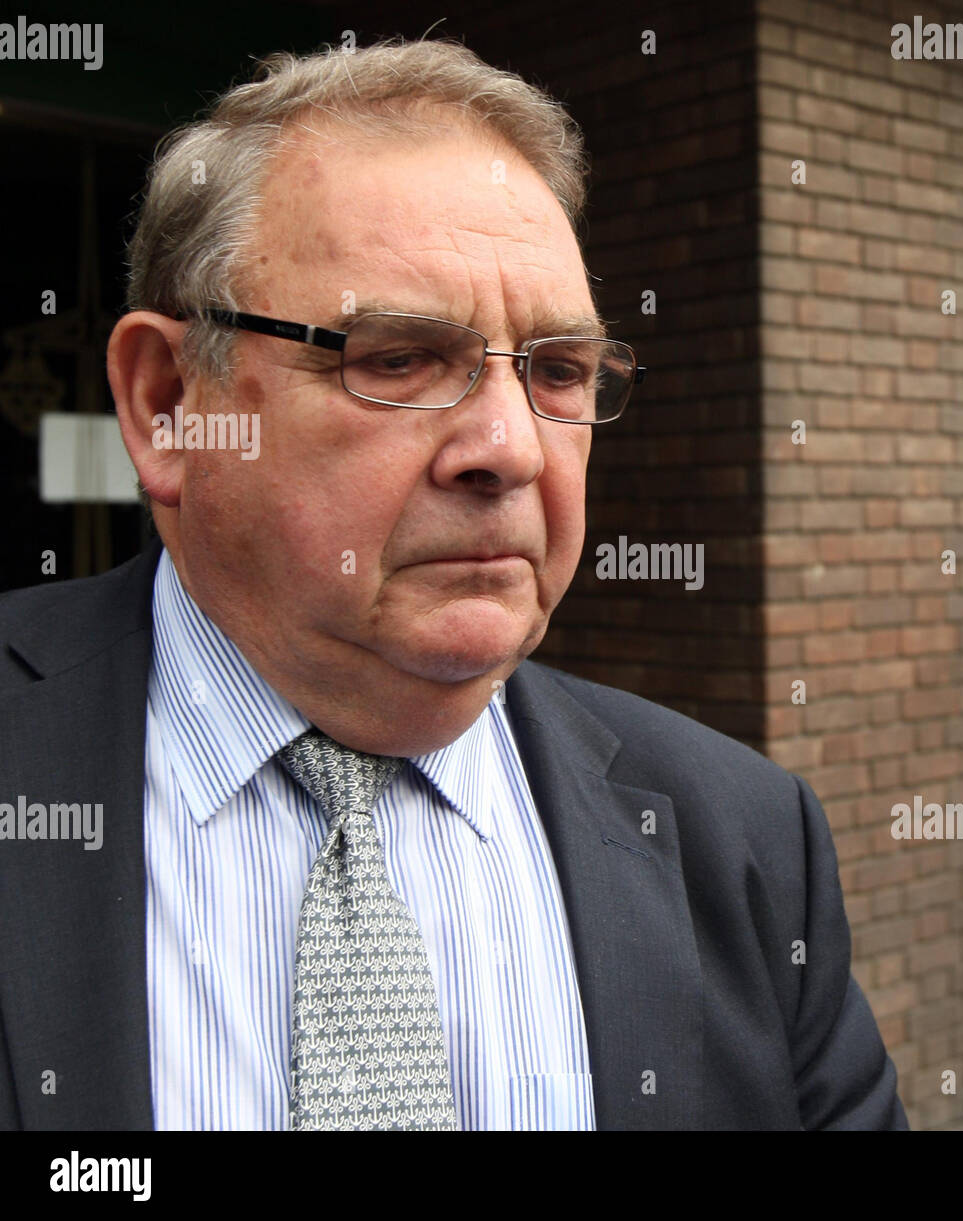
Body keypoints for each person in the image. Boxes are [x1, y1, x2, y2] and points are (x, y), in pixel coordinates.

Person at [0, 39, 906, 1132]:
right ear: (166, 405)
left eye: (559, 371)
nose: (509, 449)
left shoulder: (746, 833)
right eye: (397, 359)